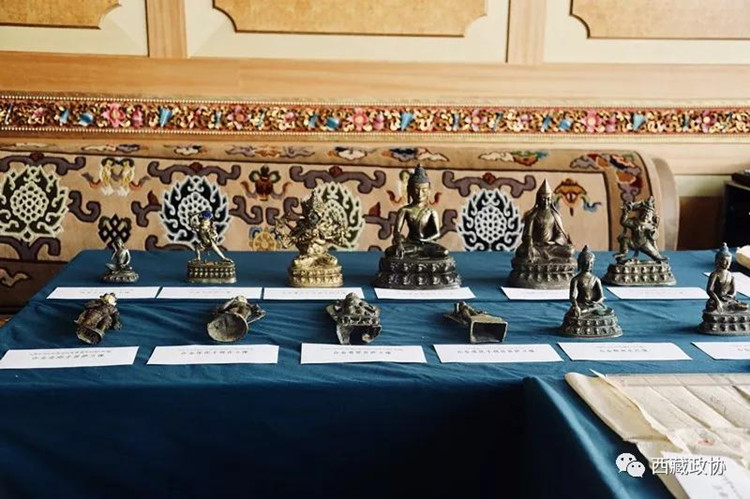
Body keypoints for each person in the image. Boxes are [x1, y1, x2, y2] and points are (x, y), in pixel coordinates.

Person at [385, 164, 448, 259]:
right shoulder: (405, 210)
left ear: (429, 191)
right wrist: (399, 244)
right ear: (409, 191)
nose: (419, 194)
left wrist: (425, 240)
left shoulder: (431, 212)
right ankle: (418, 253)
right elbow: (397, 231)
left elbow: (437, 233)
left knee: (444, 252)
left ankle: (417, 253)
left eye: (424, 190)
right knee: (390, 252)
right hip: (410, 244)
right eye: (416, 190)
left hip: (426, 244)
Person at [515, 179, 575, 262]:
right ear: (538, 199)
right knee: (521, 251)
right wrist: (529, 242)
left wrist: (555, 241)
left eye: (548, 199)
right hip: (536, 247)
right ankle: (548, 258)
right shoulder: (532, 215)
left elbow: (560, 233)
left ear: (551, 200)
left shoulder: (554, 215)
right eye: (543, 199)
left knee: (569, 251)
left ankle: (544, 257)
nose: (546, 202)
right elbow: (526, 235)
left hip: (551, 247)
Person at [614, 196, 667, 263]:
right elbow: (624, 222)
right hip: (633, 242)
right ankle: (623, 253)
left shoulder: (651, 226)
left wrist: (653, 232)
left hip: (645, 244)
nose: (646, 216)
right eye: (644, 213)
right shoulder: (635, 222)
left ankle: (659, 259)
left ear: (651, 217)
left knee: (656, 256)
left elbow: (654, 238)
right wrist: (625, 213)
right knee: (625, 240)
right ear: (640, 214)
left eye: (648, 215)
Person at [705, 243, 748, 313]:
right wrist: (718, 301)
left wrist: (730, 296)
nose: (728, 263)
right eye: (725, 261)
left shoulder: (730, 275)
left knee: (745, 306)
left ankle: (728, 309)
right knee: (711, 307)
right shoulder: (715, 274)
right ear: (719, 260)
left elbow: (733, 291)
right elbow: (709, 290)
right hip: (716, 299)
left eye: (729, 261)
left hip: (728, 300)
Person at [568, 246, 609, 317]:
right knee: (577, 312)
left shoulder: (595, 279)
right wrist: (576, 305)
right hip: (581, 304)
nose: (589, 265)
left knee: (607, 310)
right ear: (580, 263)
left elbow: (601, 296)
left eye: (591, 263)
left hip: (594, 305)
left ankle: (589, 311)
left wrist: (596, 302)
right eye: (586, 263)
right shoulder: (576, 279)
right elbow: (572, 296)